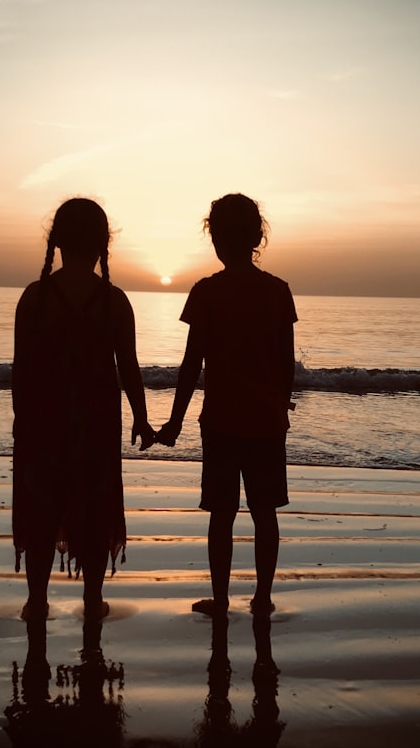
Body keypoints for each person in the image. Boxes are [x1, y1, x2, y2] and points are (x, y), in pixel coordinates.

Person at [12, 197, 155, 622]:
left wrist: (22, 421)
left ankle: (37, 599)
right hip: (95, 424)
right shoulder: (114, 302)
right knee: (93, 510)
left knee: (43, 506)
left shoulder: (35, 298)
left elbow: (22, 371)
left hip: (43, 422)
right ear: (102, 246)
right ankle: (93, 600)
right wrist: (143, 420)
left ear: (56, 243)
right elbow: (128, 369)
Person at [157, 193, 297, 618]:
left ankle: (220, 600)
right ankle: (262, 597)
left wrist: (174, 422)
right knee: (265, 512)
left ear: (215, 239)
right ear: (257, 237)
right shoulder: (277, 292)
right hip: (267, 422)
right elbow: (286, 364)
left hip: (219, 422)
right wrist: (281, 405)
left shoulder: (206, 293)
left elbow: (189, 366)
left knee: (221, 514)